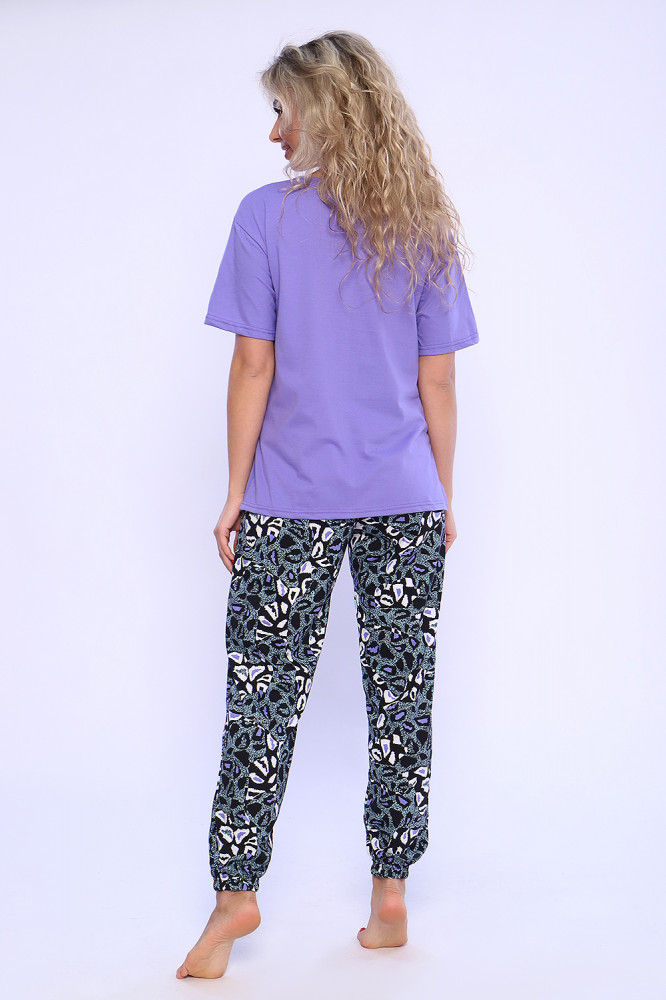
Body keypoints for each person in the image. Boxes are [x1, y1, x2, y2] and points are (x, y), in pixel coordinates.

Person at [177, 30, 479, 980]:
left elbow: (252, 365)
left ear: (325, 111)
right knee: (402, 701)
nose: (274, 133)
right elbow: (438, 383)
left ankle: (234, 898)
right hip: (403, 502)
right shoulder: (422, 225)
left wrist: (235, 493)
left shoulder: (264, 219)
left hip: (288, 501)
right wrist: (440, 495)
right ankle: (390, 896)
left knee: (259, 705)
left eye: (282, 111)